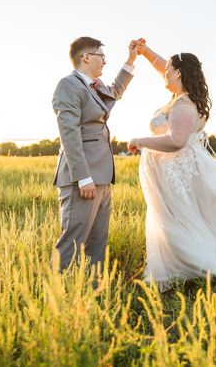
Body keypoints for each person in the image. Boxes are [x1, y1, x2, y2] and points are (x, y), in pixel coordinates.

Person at [129, 39, 216, 291]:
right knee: (179, 220)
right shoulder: (181, 97)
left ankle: (200, 270)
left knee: (177, 223)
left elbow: (176, 142)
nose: (165, 73)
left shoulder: (183, 105)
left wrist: (140, 141)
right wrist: (146, 52)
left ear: (179, 73)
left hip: (178, 174)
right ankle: (184, 273)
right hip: (177, 171)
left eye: (169, 71)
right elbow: (164, 66)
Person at [52, 36, 138, 271]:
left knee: (97, 243)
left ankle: (91, 295)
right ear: (86, 57)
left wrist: (131, 59)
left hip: (102, 177)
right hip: (84, 178)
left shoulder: (95, 87)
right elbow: (69, 134)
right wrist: (84, 177)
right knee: (72, 241)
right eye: (101, 56)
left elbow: (117, 90)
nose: (104, 62)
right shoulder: (68, 85)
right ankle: (56, 297)